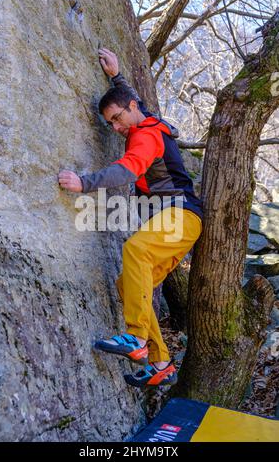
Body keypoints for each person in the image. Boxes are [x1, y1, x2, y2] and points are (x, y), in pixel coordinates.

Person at [58, 49, 203, 388]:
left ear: (132, 108)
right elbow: (135, 106)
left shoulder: (145, 134)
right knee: (128, 285)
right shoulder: (147, 121)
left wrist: (84, 183)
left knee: (136, 250)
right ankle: (161, 361)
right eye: (110, 123)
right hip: (174, 223)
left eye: (117, 119)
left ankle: (136, 338)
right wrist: (116, 77)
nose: (115, 127)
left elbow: (128, 169)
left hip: (180, 217)